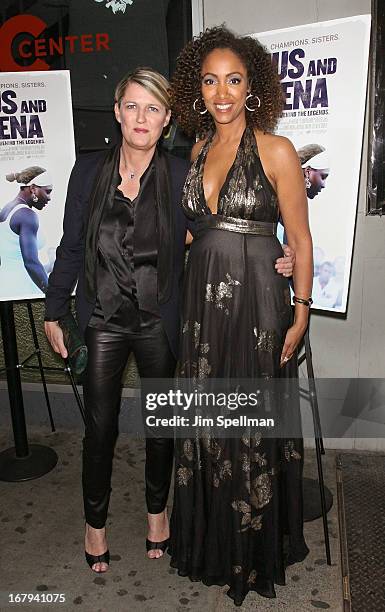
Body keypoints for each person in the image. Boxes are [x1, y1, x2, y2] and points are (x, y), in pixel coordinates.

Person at [44, 67, 294, 573]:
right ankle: (96, 524)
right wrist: (54, 309)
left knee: (163, 426)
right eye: (132, 106)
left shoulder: (182, 173)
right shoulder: (87, 170)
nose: (141, 117)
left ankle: (158, 516)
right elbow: (71, 246)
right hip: (104, 320)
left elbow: (212, 229)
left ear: (166, 122)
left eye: (152, 108)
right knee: (100, 429)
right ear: (117, 113)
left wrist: (274, 250)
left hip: (162, 321)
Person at [168, 27, 313, 606]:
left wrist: (299, 313)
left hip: (257, 305)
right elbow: (190, 230)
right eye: (210, 80)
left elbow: (300, 240)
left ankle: (252, 556)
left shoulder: (275, 149)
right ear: (196, 89)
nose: (221, 92)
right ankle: (209, 544)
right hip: (202, 308)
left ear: (252, 86)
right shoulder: (198, 148)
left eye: (233, 79)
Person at [0, 167, 53, 297]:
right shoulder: (27, 215)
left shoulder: (7, 209)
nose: (49, 198)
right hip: (24, 288)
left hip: (7, 286)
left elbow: (14, 260)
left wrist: (50, 265)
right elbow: (30, 263)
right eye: (47, 191)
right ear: (33, 188)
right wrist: (53, 297)